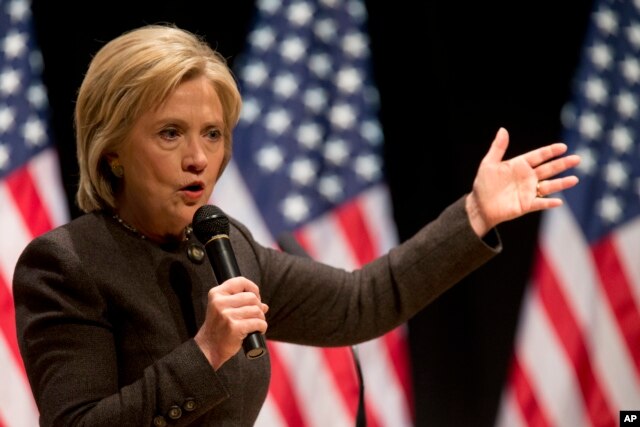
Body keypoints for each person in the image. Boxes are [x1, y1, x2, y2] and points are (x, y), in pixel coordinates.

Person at [13, 23, 580, 427]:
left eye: (212, 133)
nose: (198, 158)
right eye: (170, 133)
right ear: (111, 150)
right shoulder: (67, 265)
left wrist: (474, 215)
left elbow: (363, 301)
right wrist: (205, 352)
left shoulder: (222, 244)